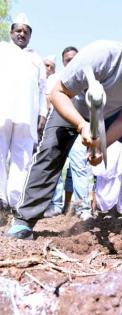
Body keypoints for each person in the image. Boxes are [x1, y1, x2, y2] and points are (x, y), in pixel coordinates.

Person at [6, 22, 122, 240]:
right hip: (71, 108)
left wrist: (101, 144)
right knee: (51, 150)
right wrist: (81, 126)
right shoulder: (101, 55)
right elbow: (57, 93)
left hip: (109, 116)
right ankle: (24, 221)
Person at [0, 13, 47, 212]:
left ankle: (15, 200)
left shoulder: (36, 58)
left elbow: (43, 88)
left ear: (30, 36)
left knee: (23, 156)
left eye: (25, 32)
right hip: (3, 109)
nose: (21, 34)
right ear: (11, 32)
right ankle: (0, 198)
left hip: (27, 113)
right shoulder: (2, 50)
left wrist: (43, 113)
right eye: (18, 30)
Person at [44, 46, 93, 220]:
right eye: (67, 60)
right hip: (59, 128)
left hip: (80, 128)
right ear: (63, 62)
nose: (71, 62)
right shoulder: (56, 79)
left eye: (74, 58)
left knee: (80, 166)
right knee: (55, 166)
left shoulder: (86, 79)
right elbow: (51, 102)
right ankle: (55, 205)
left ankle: (83, 208)